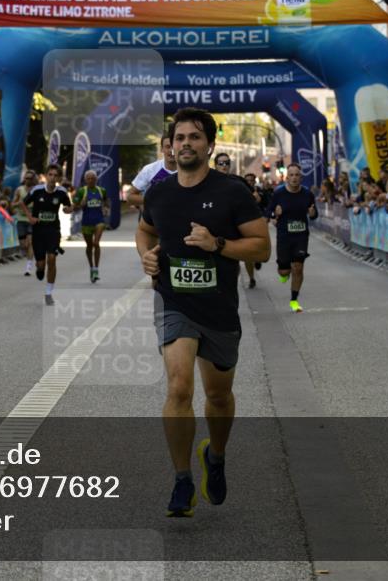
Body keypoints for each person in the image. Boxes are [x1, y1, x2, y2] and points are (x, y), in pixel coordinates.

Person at [136, 108, 270, 517]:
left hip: (218, 308)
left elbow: (262, 246)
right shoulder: (159, 193)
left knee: (218, 395)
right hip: (174, 301)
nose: (186, 144)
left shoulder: (232, 191)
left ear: (210, 145)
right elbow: (145, 229)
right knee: (179, 388)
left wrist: (218, 246)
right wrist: (146, 257)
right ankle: (182, 480)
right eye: (179, 138)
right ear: (170, 146)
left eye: (195, 137)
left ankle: (215, 454)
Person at [266, 162, 317, 313]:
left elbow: (314, 215)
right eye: (292, 175)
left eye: (297, 175)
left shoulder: (307, 194)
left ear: (301, 178)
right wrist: (276, 213)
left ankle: (294, 300)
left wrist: (312, 213)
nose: (294, 178)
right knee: (284, 271)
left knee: (298, 267)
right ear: (287, 178)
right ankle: (284, 272)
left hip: (301, 236)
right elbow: (269, 212)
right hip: (284, 235)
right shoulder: (279, 193)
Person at [20, 163, 72, 305]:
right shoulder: (37, 190)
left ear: (59, 178)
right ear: (46, 175)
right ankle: (39, 268)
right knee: (42, 265)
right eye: (50, 174)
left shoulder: (61, 192)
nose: (52, 177)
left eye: (55, 175)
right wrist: (30, 217)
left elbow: (67, 207)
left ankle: (49, 293)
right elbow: (22, 203)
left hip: (53, 231)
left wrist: (70, 209)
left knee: (52, 259)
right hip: (38, 231)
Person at [71, 169, 110, 283]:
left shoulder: (101, 190)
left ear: (96, 179)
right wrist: (80, 205)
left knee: (96, 243)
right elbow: (75, 207)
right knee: (89, 246)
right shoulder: (81, 191)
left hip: (99, 221)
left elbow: (107, 201)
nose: (91, 180)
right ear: (85, 180)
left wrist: (106, 208)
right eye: (88, 178)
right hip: (86, 222)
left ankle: (96, 269)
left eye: (93, 178)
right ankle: (91, 267)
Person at [126, 128, 178, 208]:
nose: (171, 151)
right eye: (168, 147)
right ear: (161, 149)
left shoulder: (189, 169)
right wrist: (153, 200)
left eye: (174, 147)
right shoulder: (150, 170)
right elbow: (129, 196)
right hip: (152, 219)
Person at [12, 170, 38, 276]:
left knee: (30, 243)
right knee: (23, 245)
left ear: (33, 179)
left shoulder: (36, 190)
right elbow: (13, 204)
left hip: (32, 219)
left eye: (30, 178)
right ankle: (28, 255)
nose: (27, 180)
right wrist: (19, 203)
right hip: (21, 219)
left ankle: (28, 266)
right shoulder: (19, 190)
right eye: (26, 178)